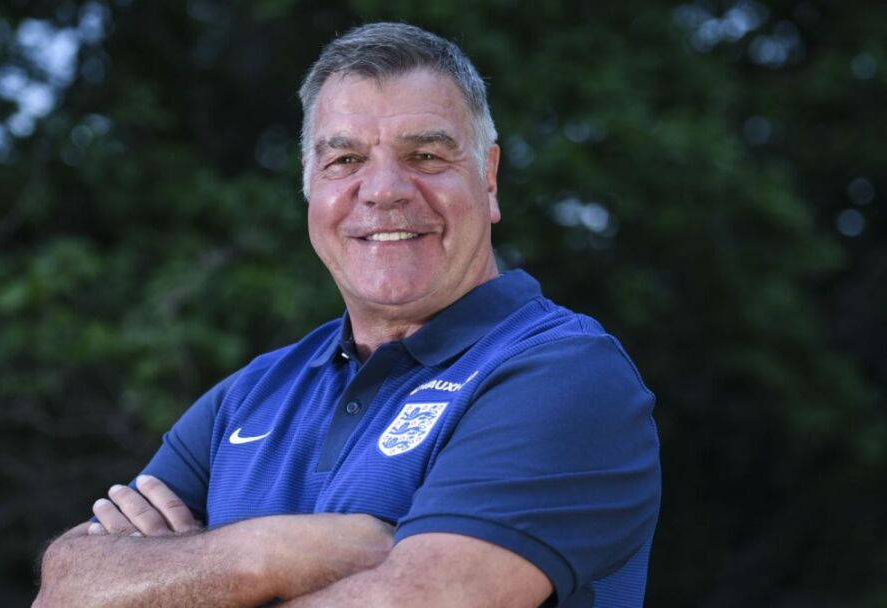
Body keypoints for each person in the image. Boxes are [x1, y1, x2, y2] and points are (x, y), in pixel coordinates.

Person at [35, 22, 660, 608]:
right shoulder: (249, 396)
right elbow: (65, 585)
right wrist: (268, 553)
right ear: (310, 185)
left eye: (425, 156)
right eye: (345, 160)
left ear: (489, 179)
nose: (383, 190)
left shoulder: (564, 373)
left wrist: (179, 579)